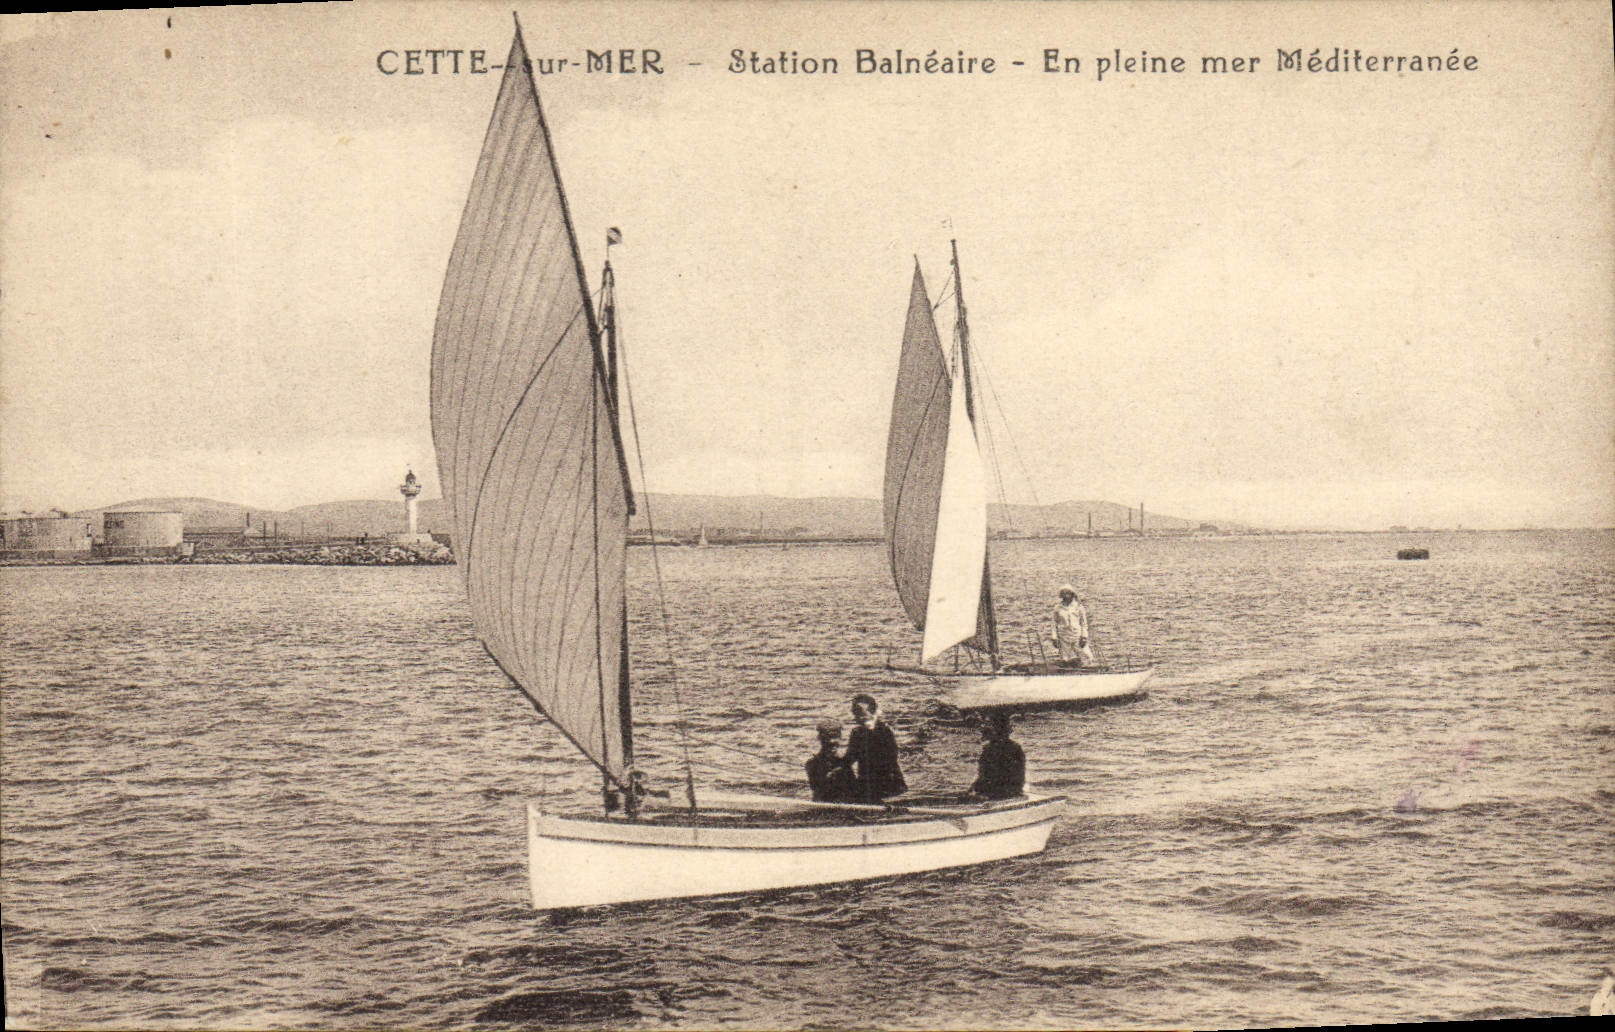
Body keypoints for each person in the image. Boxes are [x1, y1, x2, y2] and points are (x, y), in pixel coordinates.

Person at [842, 694, 906, 802]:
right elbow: (849, 758)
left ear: (872, 712)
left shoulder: (885, 732)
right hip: (866, 782)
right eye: (855, 713)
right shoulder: (856, 733)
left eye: (859, 713)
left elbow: (890, 759)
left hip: (887, 782)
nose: (856, 717)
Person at [970, 712, 1026, 799]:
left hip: (1004, 794)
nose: (983, 730)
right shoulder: (989, 749)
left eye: (991, 727)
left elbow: (1016, 780)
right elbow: (983, 775)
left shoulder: (1012, 749)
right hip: (998, 792)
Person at [805, 720, 855, 802]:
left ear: (840, 738)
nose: (831, 740)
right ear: (820, 738)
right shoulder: (813, 764)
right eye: (827, 737)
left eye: (835, 736)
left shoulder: (844, 762)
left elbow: (853, 790)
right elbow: (817, 788)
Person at [1049, 584, 1095, 666]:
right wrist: (1054, 638)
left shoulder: (1078, 607)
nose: (1066, 596)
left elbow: (1083, 623)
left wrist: (1084, 637)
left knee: (1087, 656)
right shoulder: (1057, 608)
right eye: (1064, 593)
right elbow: (1054, 624)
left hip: (1077, 635)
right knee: (1066, 659)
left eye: (1068, 593)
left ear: (1072, 594)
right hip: (1063, 636)